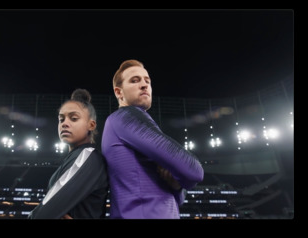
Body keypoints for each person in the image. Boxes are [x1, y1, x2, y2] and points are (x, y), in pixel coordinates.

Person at [101, 59, 204, 219]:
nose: (144, 85)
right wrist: (182, 178)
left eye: (147, 81)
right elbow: (194, 171)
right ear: (119, 92)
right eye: (135, 81)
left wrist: (176, 185)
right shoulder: (126, 117)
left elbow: (175, 198)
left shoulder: (128, 123)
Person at [28, 89, 109, 219]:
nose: (65, 123)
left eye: (74, 118)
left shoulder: (87, 156)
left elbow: (44, 213)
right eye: (61, 119)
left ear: (91, 125)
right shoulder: (75, 157)